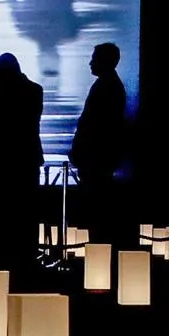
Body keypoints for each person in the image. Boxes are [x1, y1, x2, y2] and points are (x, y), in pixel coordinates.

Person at [0, 53, 43, 274]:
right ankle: (23, 258)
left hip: (3, 168)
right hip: (20, 165)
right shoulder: (33, 92)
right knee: (21, 216)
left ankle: (6, 257)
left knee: (8, 218)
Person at [68, 43, 127, 238]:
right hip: (96, 159)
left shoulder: (107, 87)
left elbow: (97, 126)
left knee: (95, 211)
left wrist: (83, 150)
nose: (90, 63)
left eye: (94, 58)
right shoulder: (109, 85)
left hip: (96, 160)